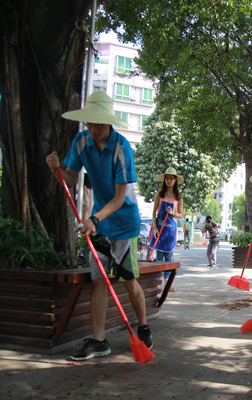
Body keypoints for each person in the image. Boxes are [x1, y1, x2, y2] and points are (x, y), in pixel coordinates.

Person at [45, 91, 152, 361]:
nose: (92, 128)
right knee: (98, 282)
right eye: (89, 123)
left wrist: (94, 219)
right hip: (99, 225)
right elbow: (69, 179)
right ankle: (99, 340)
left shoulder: (122, 148)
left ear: (108, 122)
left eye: (98, 123)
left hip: (123, 222)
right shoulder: (82, 142)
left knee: (129, 282)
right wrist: (56, 169)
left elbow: (118, 199)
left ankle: (143, 326)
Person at [150, 167, 184, 292]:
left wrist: (173, 213)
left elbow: (181, 214)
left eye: (171, 178)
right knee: (159, 257)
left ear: (175, 180)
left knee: (168, 258)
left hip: (170, 231)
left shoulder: (178, 197)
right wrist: (155, 227)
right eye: (167, 178)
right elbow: (154, 212)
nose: (169, 180)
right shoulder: (159, 195)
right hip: (160, 230)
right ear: (164, 180)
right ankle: (158, 283)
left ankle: (167, 285)